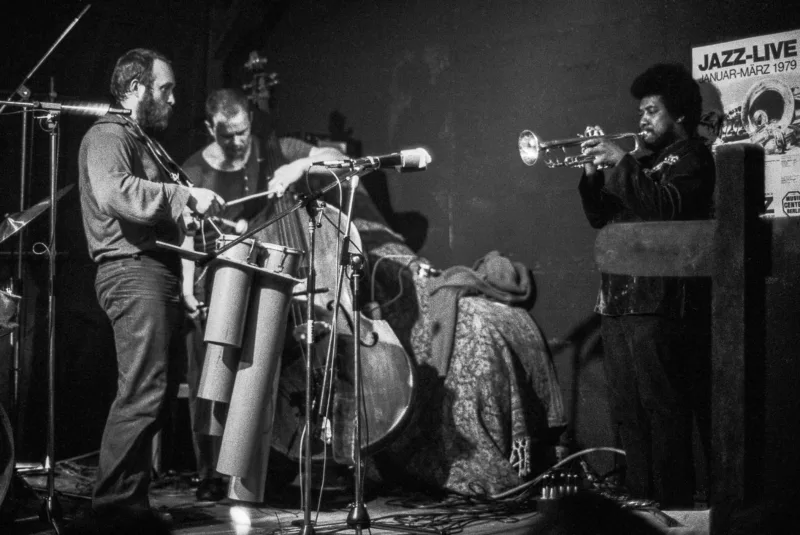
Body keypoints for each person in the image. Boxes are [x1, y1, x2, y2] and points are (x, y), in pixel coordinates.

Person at [179, 87, 346, 501]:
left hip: (282, 287)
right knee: (208, 365)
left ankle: (285, 462)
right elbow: (185, 232)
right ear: (209, 128)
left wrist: (300, 167)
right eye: (227, 134)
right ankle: (210, 472)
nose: (237, 141)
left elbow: (339, 159)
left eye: (242, 131)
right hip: (228, 286)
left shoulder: (276, 149)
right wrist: (185, 283)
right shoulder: (194, 170)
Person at [78, 47, 225, 516]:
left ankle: (129, 502)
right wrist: (184, 195)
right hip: (130, 271)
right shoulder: (106, 135)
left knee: (155, 397)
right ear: (136, 88)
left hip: (151, 272)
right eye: (165, 89)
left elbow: (161, 212)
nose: (174, 99)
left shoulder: (142, 140)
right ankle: (115, 509)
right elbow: (115, 192)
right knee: (143, 392)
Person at [577, 63, 715, 508]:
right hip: (617, 297)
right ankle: (639, 495)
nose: (642, 120)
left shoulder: (693, 157)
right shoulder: (642, 162)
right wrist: (592, 175)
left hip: (659, 298)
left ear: (678, 116)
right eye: (641, 111)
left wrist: (619, 161)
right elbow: (600, 217)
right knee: (627, 408)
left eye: (652, 111)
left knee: (663, 405)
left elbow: (667, 209)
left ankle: (673, 498)